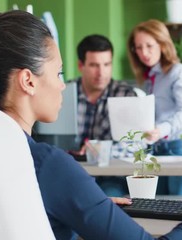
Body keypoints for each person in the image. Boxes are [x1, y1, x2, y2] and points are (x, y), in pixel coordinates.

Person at [0, 10, 182, 240]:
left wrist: (87, 204)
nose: (63, 84)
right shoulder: (48, 165)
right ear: (28, 81)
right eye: (58, 72)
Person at [127, 19, 182, 195]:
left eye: (149, 46)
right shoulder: (151, 77)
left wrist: (161, 129)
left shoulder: (177, 72)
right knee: (157, 203)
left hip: (179, 147)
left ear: (162, 44)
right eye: (138, 47)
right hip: (157, 149)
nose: (144, 52)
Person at [70, 34, 136, 197]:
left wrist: (100, 149)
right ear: (80, 65)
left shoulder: (125, 95)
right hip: (71, 172)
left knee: (105, 198)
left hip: (111, 176)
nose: (101, 72)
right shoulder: (64, 93)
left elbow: (135, 145)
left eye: (106, 64)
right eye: (94, 65)